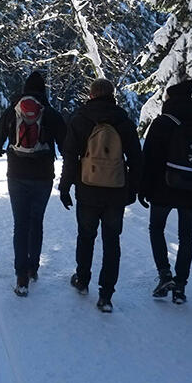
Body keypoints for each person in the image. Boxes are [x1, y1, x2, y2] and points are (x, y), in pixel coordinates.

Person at [58, 78, 143, 313]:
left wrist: (65, 188)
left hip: (87, 189)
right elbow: (136, 159)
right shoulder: (123, 120)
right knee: (111, 241)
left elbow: (70, 157)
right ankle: (106, 295)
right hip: (115, 191)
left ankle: (83, 279)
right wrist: (133, 189)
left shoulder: (81, 119)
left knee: (86, 236)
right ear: (112, 94)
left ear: (92, 94)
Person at [138, 79, 192, 305]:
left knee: (157, 229)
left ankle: (164, 275)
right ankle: (180, 285)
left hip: (162, 189)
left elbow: (149, 159)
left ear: (170, 99)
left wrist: (143, 188)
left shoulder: (162, 124)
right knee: (186, 237)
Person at [0, 71, 67, 296]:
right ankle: (33, 267)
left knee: (20, 224)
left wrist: (0, 150)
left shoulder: (13, 111)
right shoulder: (50, 113)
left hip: (16, 174)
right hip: (43, 175)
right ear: (43, 90)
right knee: (37, 222)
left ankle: (21, 276)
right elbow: (66, 146)